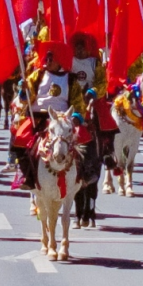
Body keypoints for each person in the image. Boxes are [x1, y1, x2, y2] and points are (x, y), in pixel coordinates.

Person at [13, 41, 86, 190]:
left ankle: (82, 175)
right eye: (47, 58)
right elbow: (27, 97)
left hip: (61, 120)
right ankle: (28, 176)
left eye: (51, 59)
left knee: (85, 139)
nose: (48, 62)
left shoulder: (70, 80)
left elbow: (78, 104)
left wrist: (75, 119)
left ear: (59, 60)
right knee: (19, 140)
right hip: (37, 118)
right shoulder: (37, 75)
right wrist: (24, 91)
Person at [70, 33, 107, 228]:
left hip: (92, 104)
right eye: (76, 47)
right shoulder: (68, 62)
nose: (79, 50)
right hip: (73, 107)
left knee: (105, 127)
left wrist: (93, 93)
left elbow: (102, 82)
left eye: (82, 47)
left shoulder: (95, 63)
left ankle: (107, 155)